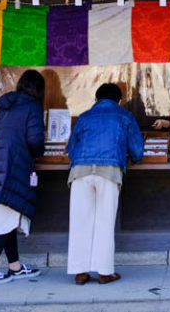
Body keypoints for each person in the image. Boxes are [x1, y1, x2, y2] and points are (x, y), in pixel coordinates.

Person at [65, 82, 143, 284]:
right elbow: (137, 150)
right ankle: (104, 272)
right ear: (119, 100)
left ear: (96, 99)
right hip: (109, 171)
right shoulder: (124, 116)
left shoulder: (84, 116)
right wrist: (132, 158)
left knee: (79, 222)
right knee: (105, 223)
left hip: (80, 171)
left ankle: (80, 272)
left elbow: (71, 149)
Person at [0, 69, 46, 285]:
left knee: (6, 219)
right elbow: (34, 141)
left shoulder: (6, 106)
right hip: (13, 166)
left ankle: (15, 266)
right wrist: (39, 150)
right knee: (2, 223)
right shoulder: (32, 106)